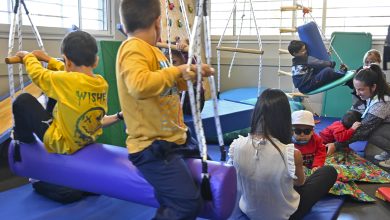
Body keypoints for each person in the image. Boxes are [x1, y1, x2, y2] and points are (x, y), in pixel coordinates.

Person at [116, 0, 214, 219]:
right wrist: (177, 70)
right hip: (151, 147)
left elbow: (167, 83)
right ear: (158, 22)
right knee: (187, 204)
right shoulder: (132, 47)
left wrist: (191, 74)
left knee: (183, 194)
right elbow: (139, 85)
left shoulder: (155, 53)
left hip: (173, 140)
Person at [12, 31, 120, 203]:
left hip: (61, 142)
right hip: (85, 138)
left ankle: (22, 142)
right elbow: (70, 74)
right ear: (96, 61)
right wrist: (49, 60)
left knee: (22, 101)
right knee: (58, 94)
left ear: (67, 61)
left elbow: (39, 75)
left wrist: (28, 58)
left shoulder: (65, 81)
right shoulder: (101, 83)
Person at [228, 89, 337, 220]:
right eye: (298, 130)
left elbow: (233, 178)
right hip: (286, 215)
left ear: (256, 114)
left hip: (250, 211)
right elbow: (299, 183)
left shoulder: (236, 145)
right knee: (329, 172)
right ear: (286, 120)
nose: (302, 134)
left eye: (306, 131)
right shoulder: (291, 153)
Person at [329, 64, 390, 168]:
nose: (358, 93)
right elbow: (354, 114)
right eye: (356, 89)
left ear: (373, 87)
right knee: (352, 118)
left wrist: (337, 144)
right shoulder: (374, 94)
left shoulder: (382, 102)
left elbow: (364, 130)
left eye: (361, 89)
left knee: (371, 131)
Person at [162, 41, 205, 115]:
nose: (171, 66)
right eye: (168, 63)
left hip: (194, 103)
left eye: (174, 62)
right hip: (176, 103)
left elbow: (198, 67)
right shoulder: (168, 71)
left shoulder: (188, 64)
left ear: (183, 59)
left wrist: (186, 49)